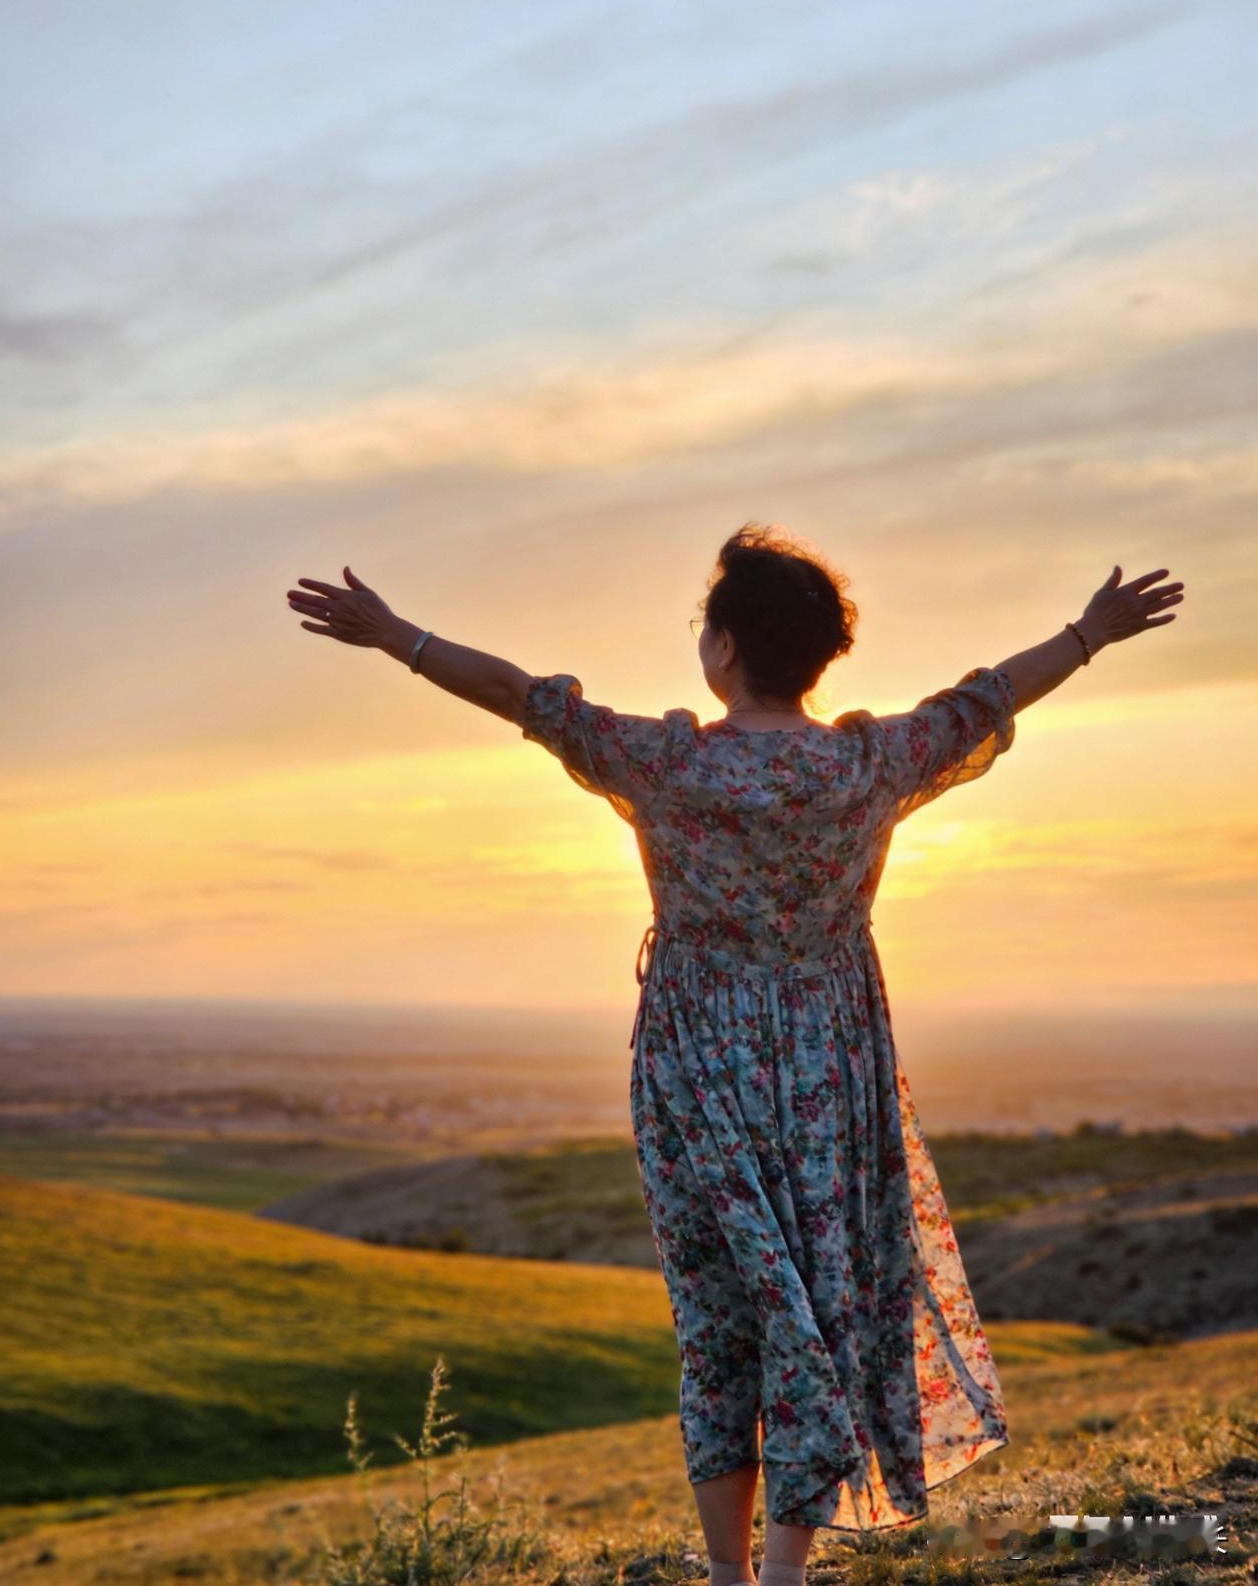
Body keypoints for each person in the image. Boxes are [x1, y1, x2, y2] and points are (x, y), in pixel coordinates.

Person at [286, 525, 1185, 1586]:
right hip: (829, 1059)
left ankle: (728, 1570)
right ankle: (785, 1568)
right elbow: (984, 696)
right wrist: (1088, 631)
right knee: (814, 1299)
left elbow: (523, 696)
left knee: (718, 1316)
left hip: (695, 1061)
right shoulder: (864, 761)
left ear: (719, 648)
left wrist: (397, 636)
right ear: (814, 656)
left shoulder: (668, 762)